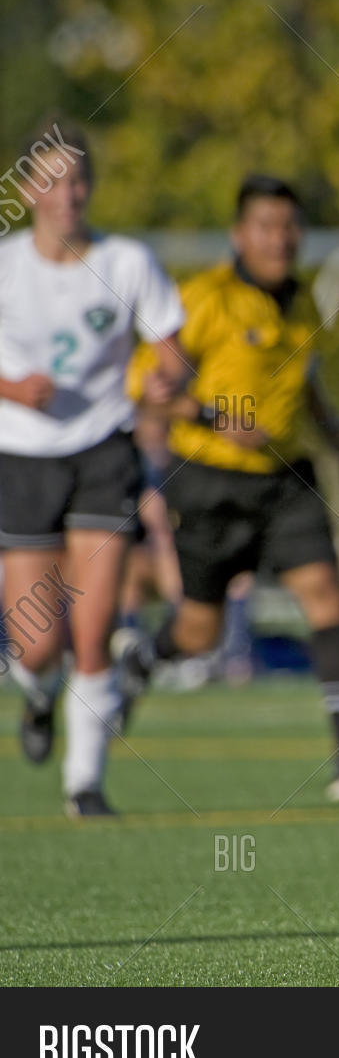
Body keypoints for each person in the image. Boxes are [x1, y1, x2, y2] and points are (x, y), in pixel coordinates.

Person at [116, 174, 339, 802]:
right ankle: (139, 661)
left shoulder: (303, 305)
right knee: (198, 633)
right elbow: (147, 385)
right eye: (267, 226)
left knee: (325, 594)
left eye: (290, 226)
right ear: (239, 234)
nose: (281, 238)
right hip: (209, 481)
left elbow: (310, 388)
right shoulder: (201, 300)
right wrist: (214, 418)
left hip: (287, 477)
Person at [0, 119, 188, 817]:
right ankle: (38, 696)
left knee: (94, 624)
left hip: (105, 452)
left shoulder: (129, 262)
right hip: (21, 457)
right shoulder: (6, 265)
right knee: (37, 641)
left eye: (78, 179)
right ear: (25, 190)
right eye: (51, 179)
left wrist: (168, 382)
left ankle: (85, 784)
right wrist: (14, 390)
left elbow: (172, 352)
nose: (67, 193)